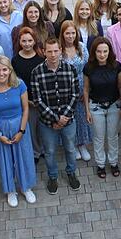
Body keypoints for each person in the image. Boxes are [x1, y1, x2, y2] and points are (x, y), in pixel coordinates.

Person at [0, 56, 38, 207]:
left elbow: (26, 108)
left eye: (4, 69)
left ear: (10, 70)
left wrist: (22, 130)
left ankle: (25, 187)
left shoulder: (19, 85)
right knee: (5, 160)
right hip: (1, 129)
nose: (1, 73)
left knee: (24, 157)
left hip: (19, 125)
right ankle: (10, 190)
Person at [31, 38, 82, 194]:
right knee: (50, 152)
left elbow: (75, 94)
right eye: (49, 51)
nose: (53, 55)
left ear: (60, 50)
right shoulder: (37, 72)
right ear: (44, 52)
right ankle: (53, 176)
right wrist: (55, 118)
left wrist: (64, 117)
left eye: (55, 51)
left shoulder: (70, 69)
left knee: (70, 149)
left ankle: (71, 172)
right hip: (47, 123)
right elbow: (37, 100)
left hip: (68, 120)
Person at [83, 37, 121, 179]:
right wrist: (87, 110)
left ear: (109, 52)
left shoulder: (116, 66)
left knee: (112, 137)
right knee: (99, 138)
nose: (102, 54)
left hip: (114, 105)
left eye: (105, 51)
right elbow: (86, 89)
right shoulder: (88, 68)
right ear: (94, 52)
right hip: (95, 107)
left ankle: (113, 162)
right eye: (99, 51)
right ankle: (100, 164)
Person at [11, 27, 46, 164]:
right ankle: (36, 152)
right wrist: (26, 101)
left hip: (42, 100)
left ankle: (44, 149)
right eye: (24, 41)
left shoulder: (40, 58)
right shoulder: (15, 60)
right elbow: (15, 83)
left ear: (34, 41)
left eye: (29, 41)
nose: (27, 44)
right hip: (27, 101)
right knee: (31, 127)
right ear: (19, 41)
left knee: (42, 127)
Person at [59, 21, 92, 162]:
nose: (70, 36)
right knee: (69, 119)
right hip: (65, 90)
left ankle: (82, 144)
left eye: (73, 33)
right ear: (63, 34)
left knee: (81, 118)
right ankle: (71, 145)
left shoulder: (81, 47)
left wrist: (86, 90)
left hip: (81, 87)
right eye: (67, 33)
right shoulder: (59, 50)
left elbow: (88, 68)